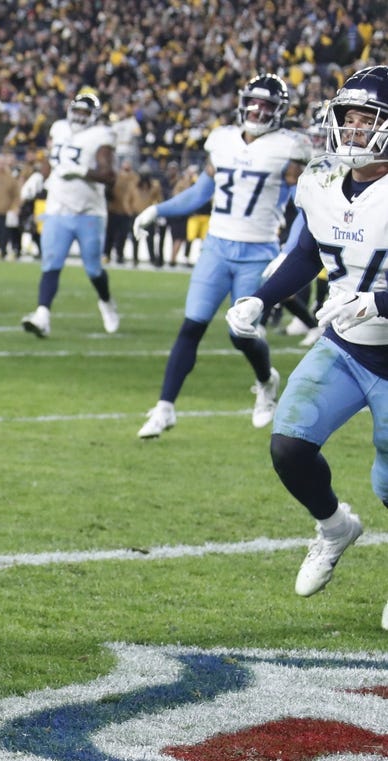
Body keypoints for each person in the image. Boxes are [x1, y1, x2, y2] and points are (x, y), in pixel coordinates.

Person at [224, 66, 388, 626]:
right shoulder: (317, 180)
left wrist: (378, 304)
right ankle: (335, 526)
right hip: (345, 345)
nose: (356, 129)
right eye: (349, 117)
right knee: (289, 446)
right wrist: (260, 297)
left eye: (369, 119)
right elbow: (307, 253)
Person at [132, 73, 311, 438]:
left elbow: (305, 207)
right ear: (243, 101)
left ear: (280, 111)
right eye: (254, 102)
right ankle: (165, 407)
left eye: (267, 105)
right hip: (216, 246)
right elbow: (200, 193)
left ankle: (266, 383)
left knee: (239, 332)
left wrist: (289, 251)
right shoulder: (222, 140)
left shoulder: (289, 146)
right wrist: (158, 210)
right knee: (192, 325)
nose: (258, 111)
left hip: (257, 250)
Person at [20, 88, 119, 337]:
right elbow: (52, 160)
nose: (79, 116)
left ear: (94, 115)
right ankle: (42, 315)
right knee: (51, 264)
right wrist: (38, 175)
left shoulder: (101, 135)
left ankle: (106, 303)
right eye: (77, 110)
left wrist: (81, 171)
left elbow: (110, 176)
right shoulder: (59, 128)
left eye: (85, 112)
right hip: (57, 208)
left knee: (93, 269)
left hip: (89, 212)